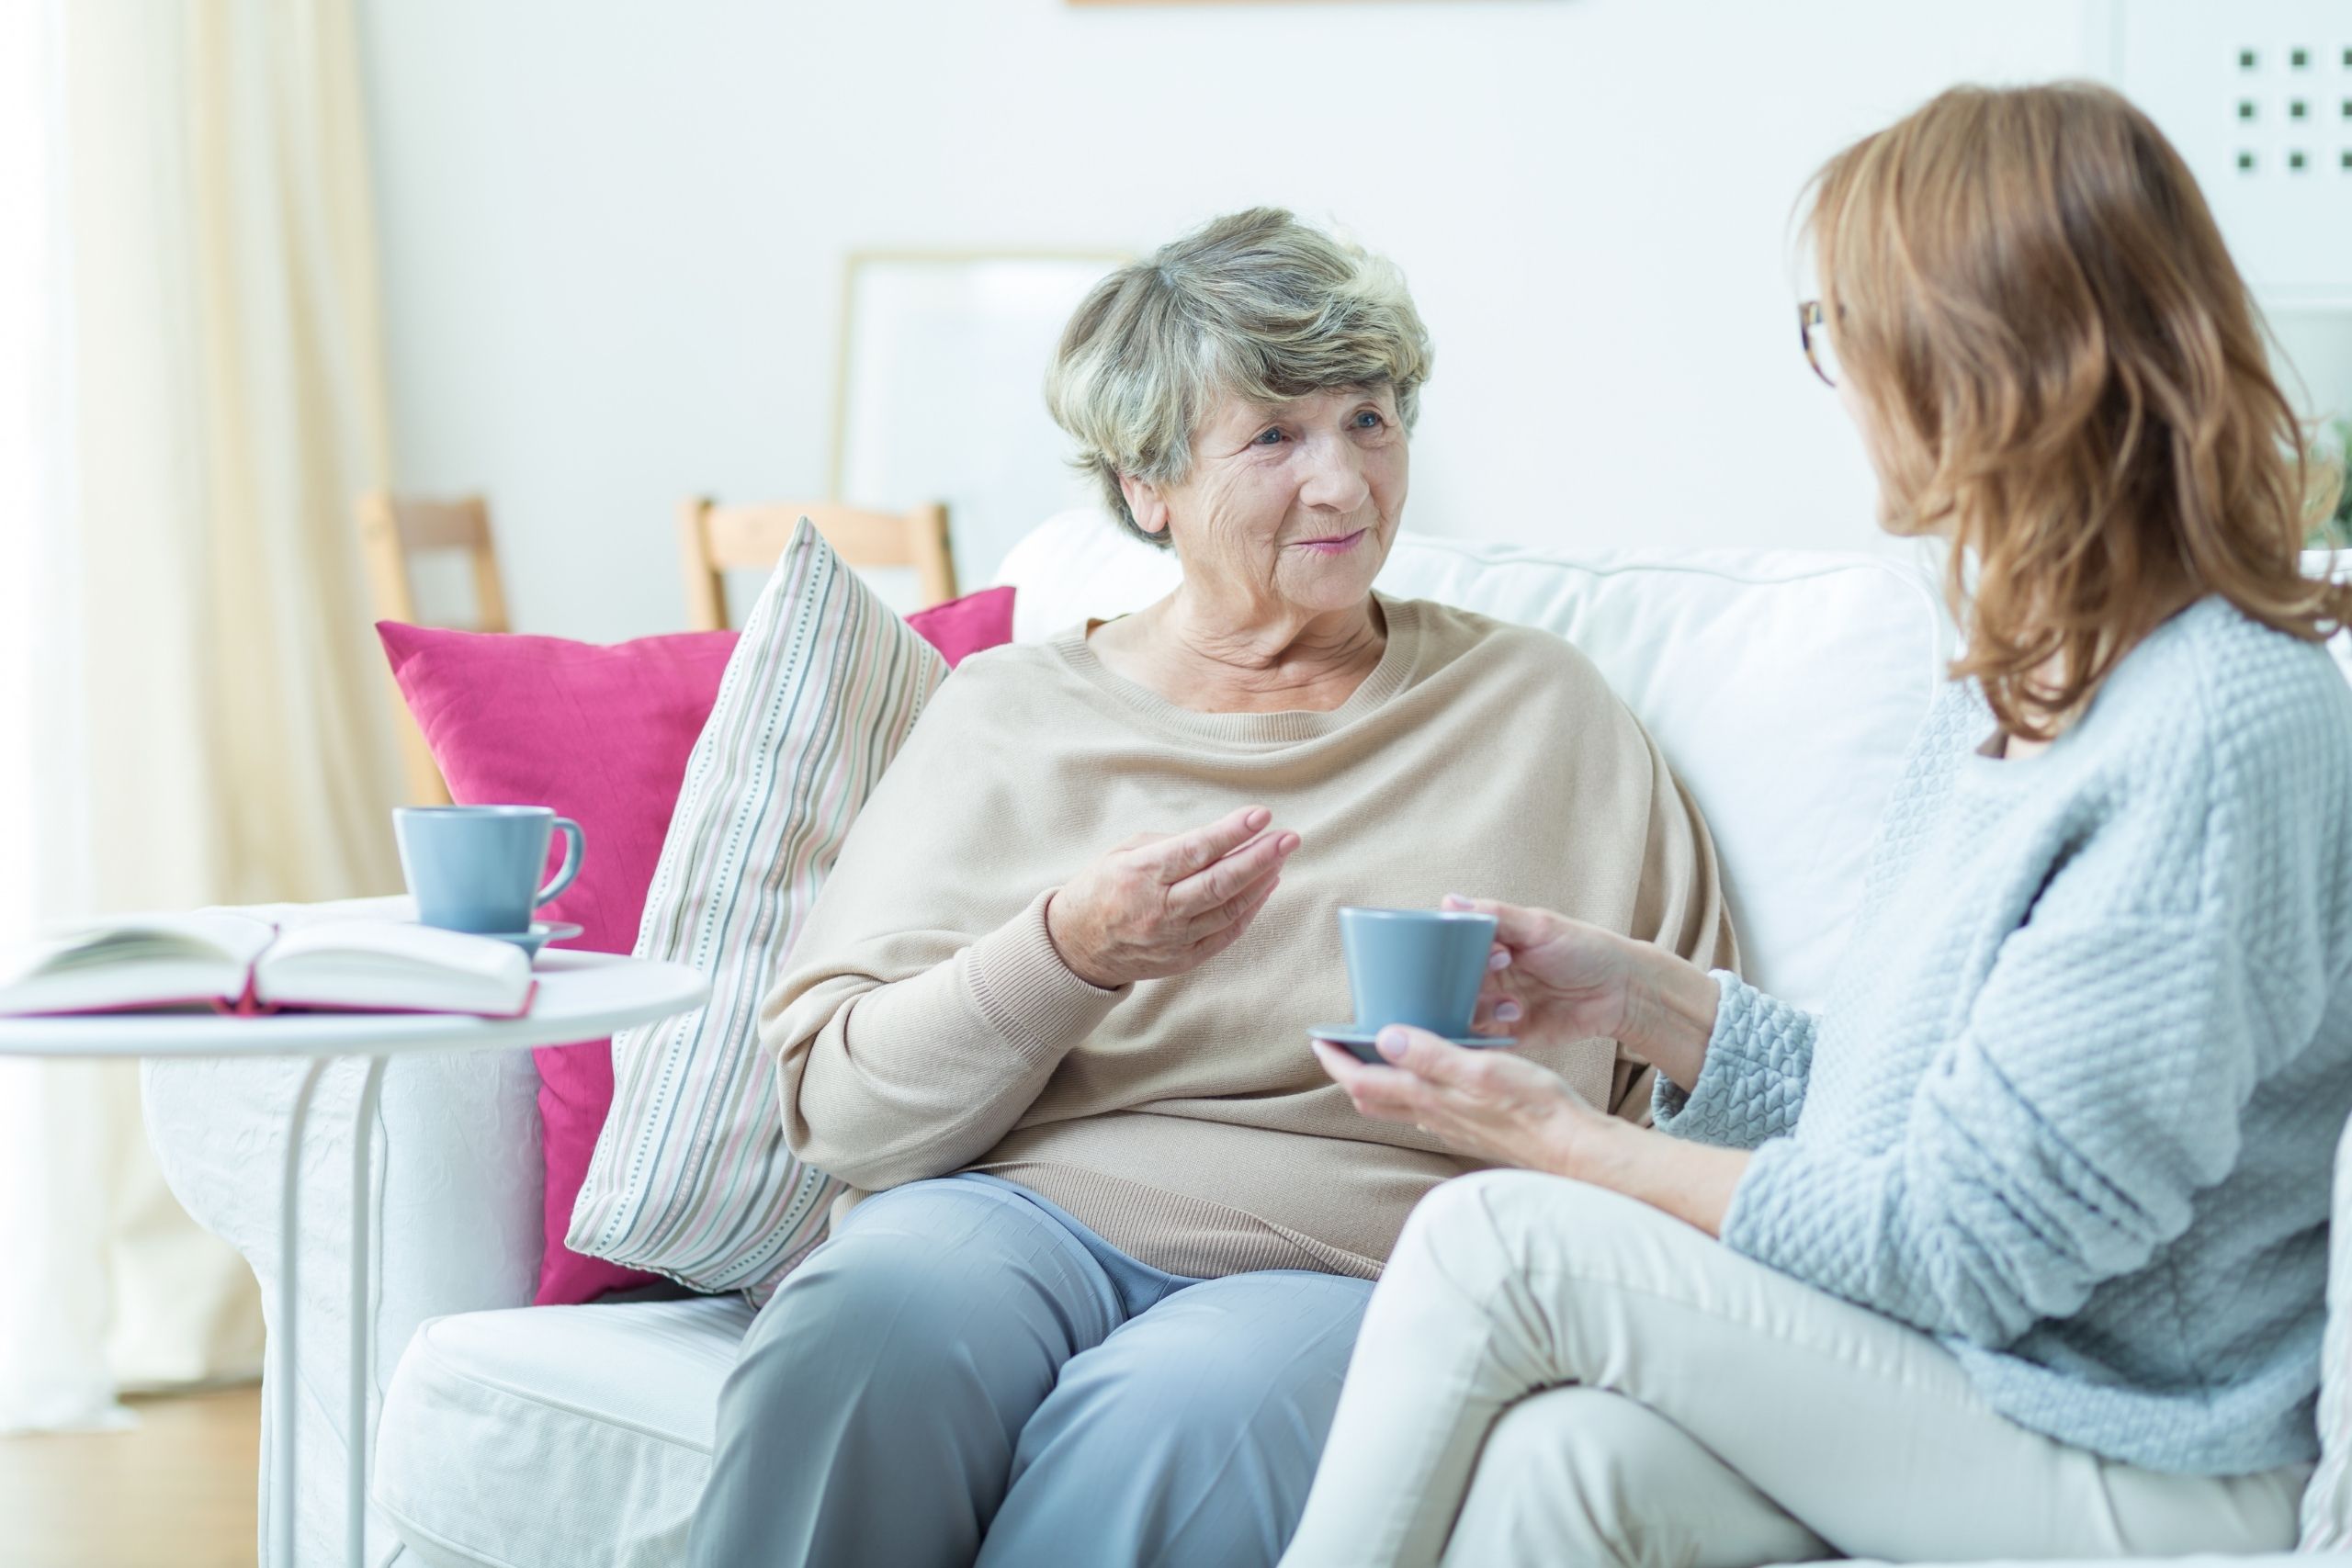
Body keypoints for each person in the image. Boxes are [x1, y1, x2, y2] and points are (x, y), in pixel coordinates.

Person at [1287, 82, 2352, 1568]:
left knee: (1497, 1235)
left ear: (1978, 356)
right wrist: (1637, 999)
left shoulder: (2224, 724)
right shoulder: (2024, 686)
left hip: (2139, 1451)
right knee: (1567, 1463)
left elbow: (1967, 1238)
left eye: (1840, 327)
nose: (1833, 374)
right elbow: (1899, 1119)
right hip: (1985, 1382)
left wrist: (1562, 1141)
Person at [684, 207, 1734, 1568]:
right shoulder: (1014, 717)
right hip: (1019, 1210)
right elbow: (841, 1108)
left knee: (1175, 1420)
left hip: (1352, 1253)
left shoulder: (1542, 712)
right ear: (1145, 486)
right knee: (858, 1335)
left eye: (1370, 419)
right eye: (1275, 436)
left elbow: (1704, 1076)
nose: (1346, 486)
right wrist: (1069, 949)